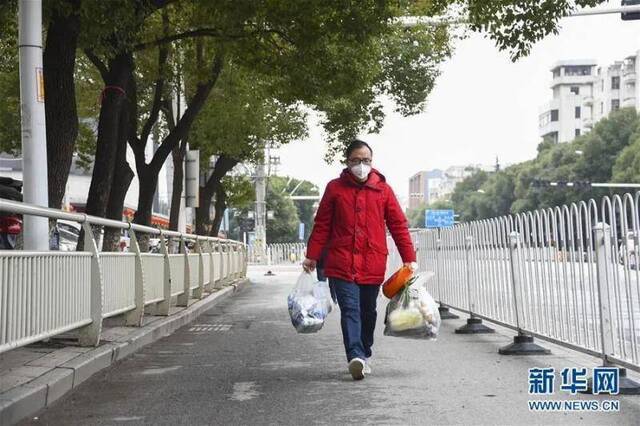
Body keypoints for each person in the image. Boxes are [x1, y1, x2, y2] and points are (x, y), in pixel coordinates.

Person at [303, 139, 416, 380]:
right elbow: (322, 224)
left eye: (366, 160)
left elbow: (398, 226)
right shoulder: (334, 188)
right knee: (350, 309)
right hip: (341, 261)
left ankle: (364, 351)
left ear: (372, 162)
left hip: (372, 260)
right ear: (347, 162)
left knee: (368, 311)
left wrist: (409, 259)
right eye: (356, 160)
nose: (361, 165)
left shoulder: (383, 190)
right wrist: (312, 255)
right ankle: (355, 355)